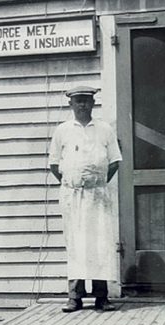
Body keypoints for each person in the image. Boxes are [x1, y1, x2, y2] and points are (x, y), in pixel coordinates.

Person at [48, 86, 122, 313]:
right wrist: (74, 181)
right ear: (71, 104)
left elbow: (115, 161)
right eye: (78, 101)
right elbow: (54, 165)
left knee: (100, 244)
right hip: (73, 195)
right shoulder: (63, 130)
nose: (82, 105)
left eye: (86, 101)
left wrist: (96, 181)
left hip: (97, 195)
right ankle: (75, 297)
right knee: (77, 245)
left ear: (93, 103)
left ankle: (102, 297)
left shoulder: (104, 129)